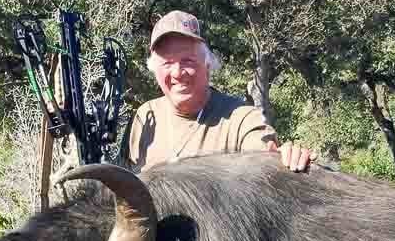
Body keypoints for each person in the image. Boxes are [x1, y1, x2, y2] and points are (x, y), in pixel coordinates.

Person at [120, 10, 313, 173]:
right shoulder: (144, 117)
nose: (177, 73)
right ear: (155, 70)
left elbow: (266, 162)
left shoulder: (241, 119)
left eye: (188, 61)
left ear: (207, 64)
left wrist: (286, 157)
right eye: (167, 63)